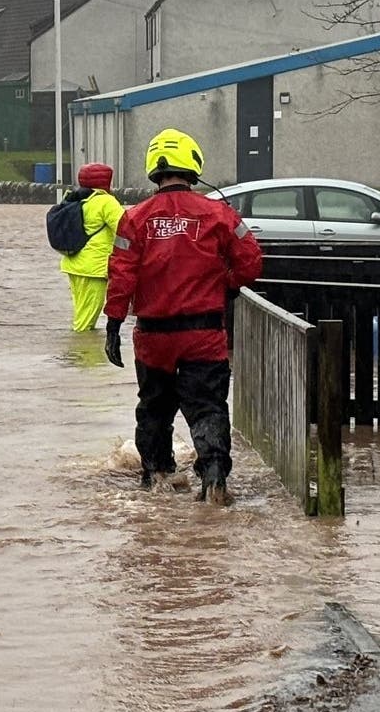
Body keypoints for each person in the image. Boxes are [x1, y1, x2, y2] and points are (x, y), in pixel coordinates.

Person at [104, 129, 264, 505]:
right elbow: (251, 262)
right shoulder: (219, 214)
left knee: (154, 409)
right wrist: (225, 283)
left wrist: (112, 326)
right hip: (203, 334)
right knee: (207, 407)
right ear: (193, 164)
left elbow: (120, 275)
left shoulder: (134, 219)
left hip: (153, 337)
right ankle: (213, 479)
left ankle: (156, 478)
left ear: (153, 169)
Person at [59, 163, 124, 333]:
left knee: (81, 314)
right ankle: (84, 355)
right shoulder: (106, 201)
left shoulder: (75, 198)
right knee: (85, 323)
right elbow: (125, 229)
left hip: (73, 265)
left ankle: (76, 355)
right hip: (93, 269)